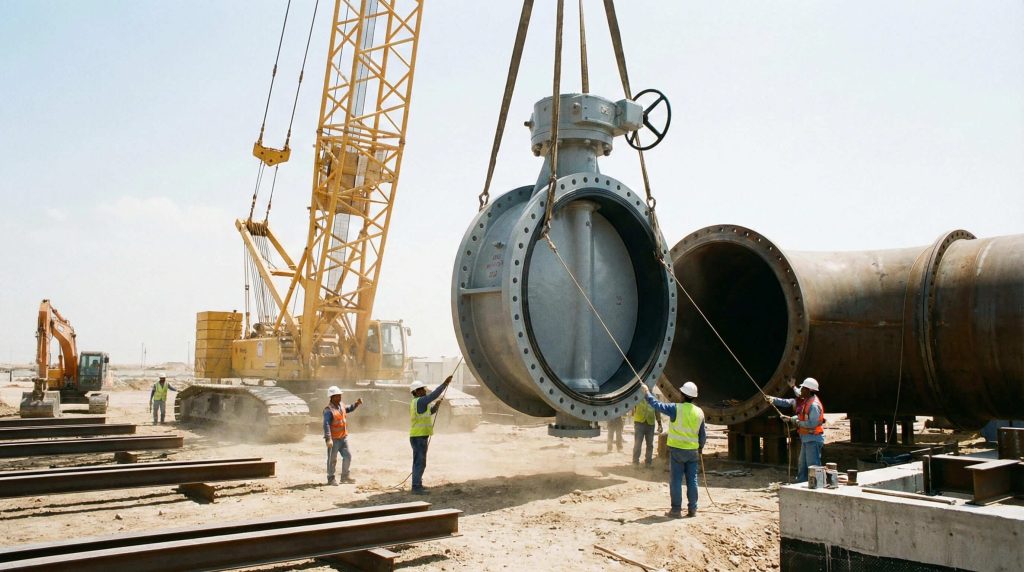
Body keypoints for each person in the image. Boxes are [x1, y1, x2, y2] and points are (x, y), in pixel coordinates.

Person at [640, 380, 706, 518]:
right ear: (694, 397)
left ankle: (676, 510)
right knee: (692, 480)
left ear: (682, 395)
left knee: (676, 480)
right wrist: (700, 448)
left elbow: (657, 405)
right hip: (692, 452)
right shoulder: (700, 412)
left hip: (677, 452)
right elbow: (702, 435)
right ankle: (692, 509)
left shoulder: (676, 408)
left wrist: (646, 393)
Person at [765, 377, 825, 483]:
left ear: (808, 390)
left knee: (813, 465)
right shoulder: (807, 400)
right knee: (802, 463)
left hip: (813, 438)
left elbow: (812, 423)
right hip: (807, 438)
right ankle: (801, 482)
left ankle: (817, 485)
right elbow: (801, 415)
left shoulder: (813, 405)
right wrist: (773, 400)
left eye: (802, 389)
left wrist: (793, 421)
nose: (800, 391)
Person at [409, 376, 451, 495]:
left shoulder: (418, 403)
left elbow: (429, 413)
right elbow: (434, 395)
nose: (425, 390)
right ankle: (416, 487)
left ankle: (417, 484)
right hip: (419, 437)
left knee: (419, 462)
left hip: (419, 437)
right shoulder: (421, 401)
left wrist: (436, 406)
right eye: (422, 389)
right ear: (416, 392)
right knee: (419, 462)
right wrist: (445, 384)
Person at [323, 385, 363, 486]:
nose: (339, 397)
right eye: (337, 396)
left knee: (348, 456)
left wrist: (356, 404)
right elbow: (326, 424)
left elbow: (348, 409)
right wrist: (328, 439)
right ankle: (331, 478)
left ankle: (345, 477)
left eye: (340, 395)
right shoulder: (328, 410)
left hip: (343, 438)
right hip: (334, 439)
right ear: (331, 397)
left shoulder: (341, 406)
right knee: (332, 459)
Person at [632, 395, 663, 466]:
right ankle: (635, 462)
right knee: (638, 443)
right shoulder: (638, 395)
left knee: (650, 444)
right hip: (639, 423)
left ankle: (648, 463)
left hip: (650, 424)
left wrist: (659, 423)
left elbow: (657, 411)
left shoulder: (654, 397)